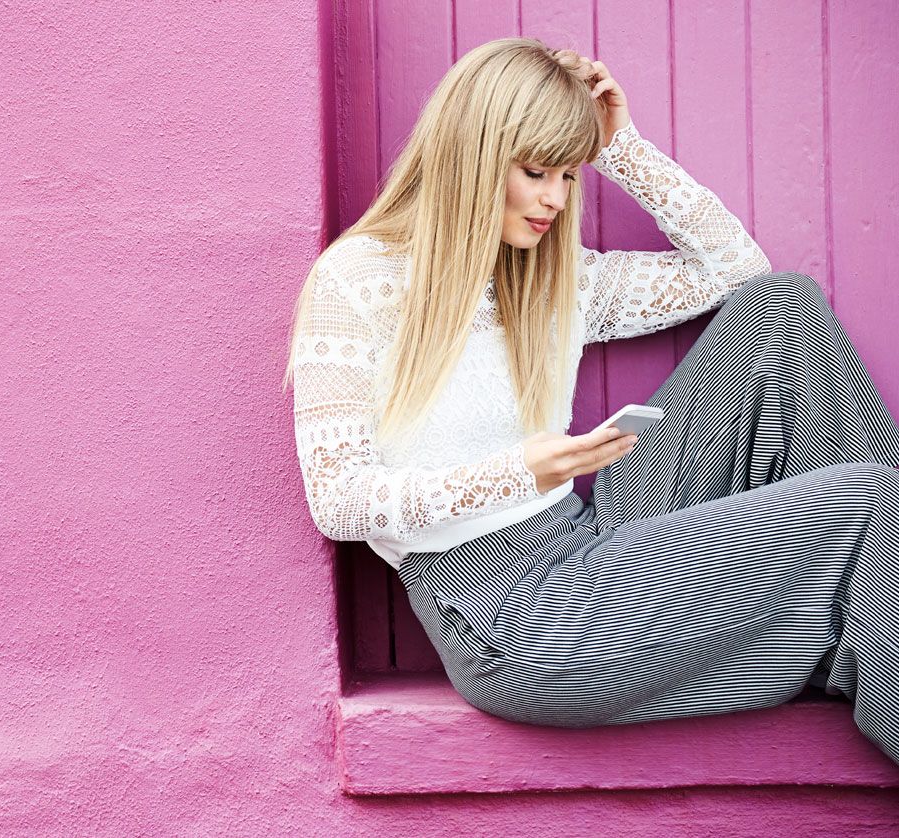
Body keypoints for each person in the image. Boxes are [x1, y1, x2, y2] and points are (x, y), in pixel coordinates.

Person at [281, 37, 899, 765]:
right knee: (868, 499)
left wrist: (620, 147)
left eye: (568, 175)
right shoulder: (358, 281)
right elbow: (338, 500)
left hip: (586, 537)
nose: (552, 198)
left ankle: (878, 616)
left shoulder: (554, 280)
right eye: (535, 170)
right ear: (470, 157)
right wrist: (523, 471)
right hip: (504, 615)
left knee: (781, 309)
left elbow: (736, 270)